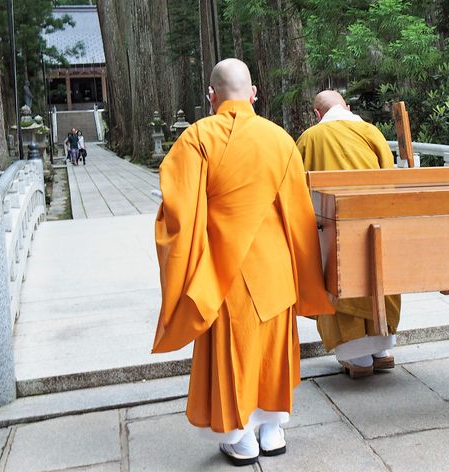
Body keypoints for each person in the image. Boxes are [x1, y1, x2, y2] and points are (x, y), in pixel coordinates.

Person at [152, 58, 334, 465]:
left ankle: (241, 437)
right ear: (254, 94)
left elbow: (179, 215)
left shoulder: (198, 137)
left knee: (234, 352)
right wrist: (306, 275)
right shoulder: (280, 139)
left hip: (224, 270)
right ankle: (271, 431)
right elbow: (299, 216)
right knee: (272, 350)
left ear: (211, 96)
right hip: (275, 268)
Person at [296, 90, 401, 378]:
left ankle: (359, 360)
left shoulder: (310, 138)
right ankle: (382, 351)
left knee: (340, 277)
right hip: (375, 227)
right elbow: (389, 179)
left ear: (317, 114)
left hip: (335, 229)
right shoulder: (371, 132)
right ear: (348, 107)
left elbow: (299, 191)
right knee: (378, 278)